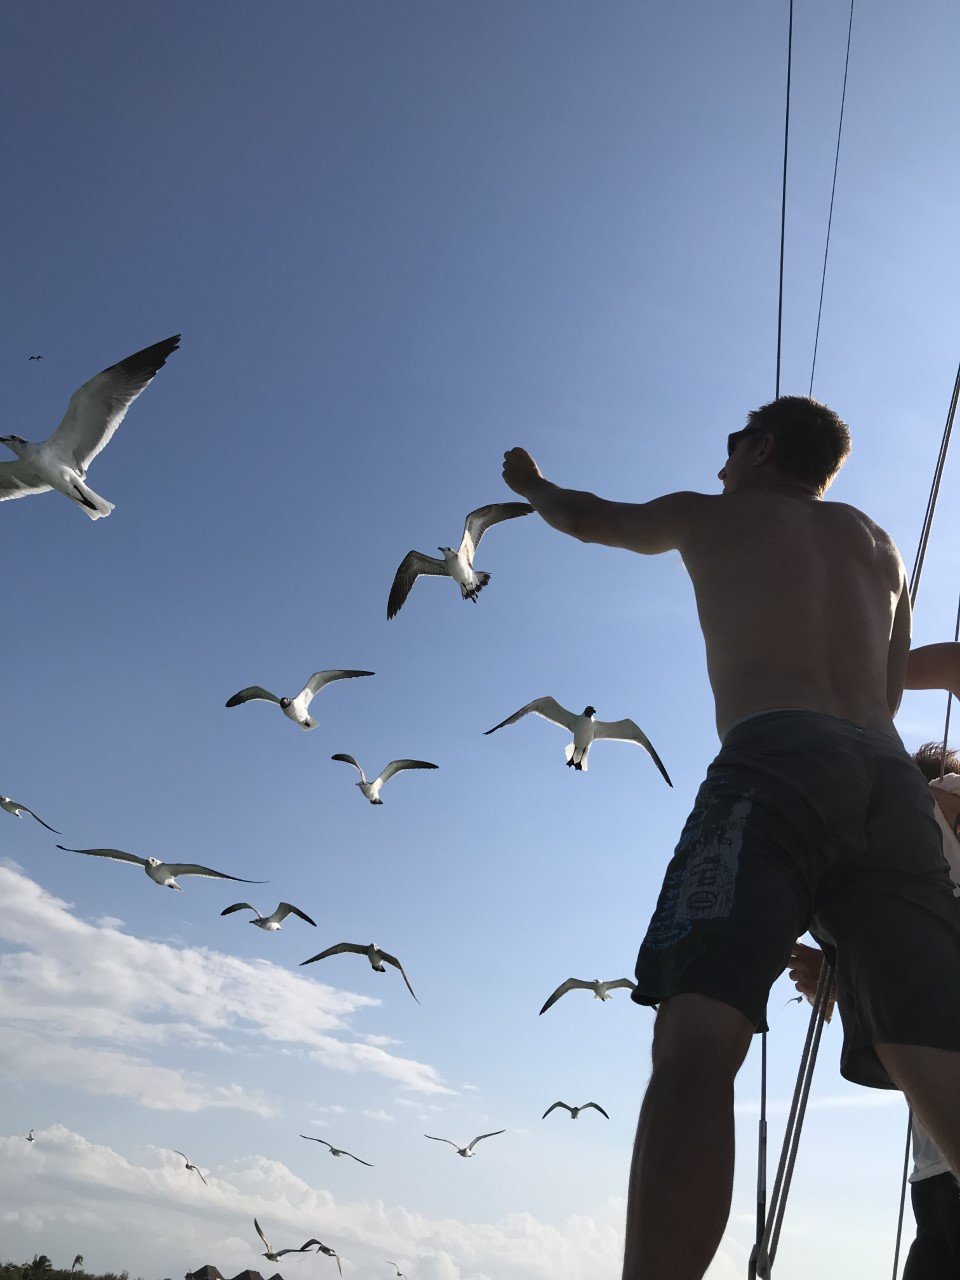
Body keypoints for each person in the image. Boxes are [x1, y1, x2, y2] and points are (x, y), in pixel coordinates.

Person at [501, 398, 960, 1280]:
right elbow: (891, 688)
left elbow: (592, 520)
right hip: (891, 780)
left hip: (780, 757)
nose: (719, 461)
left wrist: (534, 486)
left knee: (698, 1039)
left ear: (761, 450)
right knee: (928, 1056)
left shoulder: (709, 514)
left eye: (730, 442)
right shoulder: (878, 543)